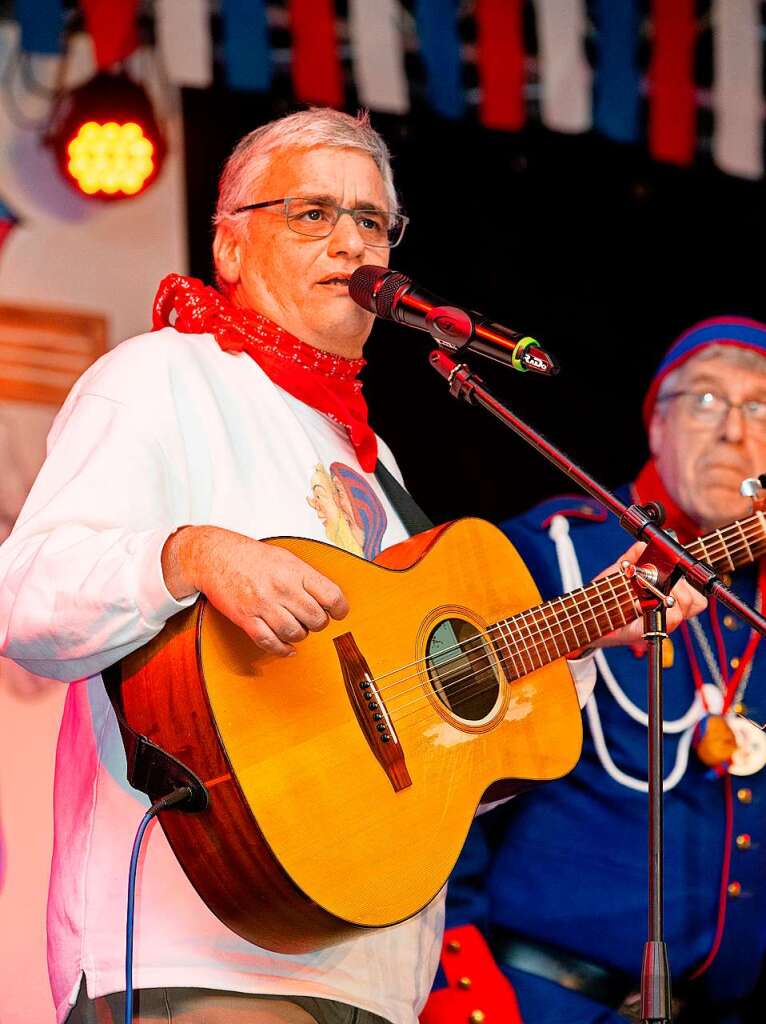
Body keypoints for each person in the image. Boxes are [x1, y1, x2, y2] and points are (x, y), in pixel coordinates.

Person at [0, 108, 704, 1024]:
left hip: (372, 968)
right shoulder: (162, 377)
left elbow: (410, 734)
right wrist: (192, 555)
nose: (351, 243)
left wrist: (574, 639)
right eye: (311, 214)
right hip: (205, 947)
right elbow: (25, 596)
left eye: (373, 222)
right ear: (232, 248)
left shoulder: (376, 465)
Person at [429, 318, 766, 1024]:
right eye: (705, 401)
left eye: (760, 406)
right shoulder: (558, 552)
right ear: (656, 426)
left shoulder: (755, 606)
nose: (735, 431)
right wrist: (458, 981)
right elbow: (445, 759)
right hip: (538, 999)